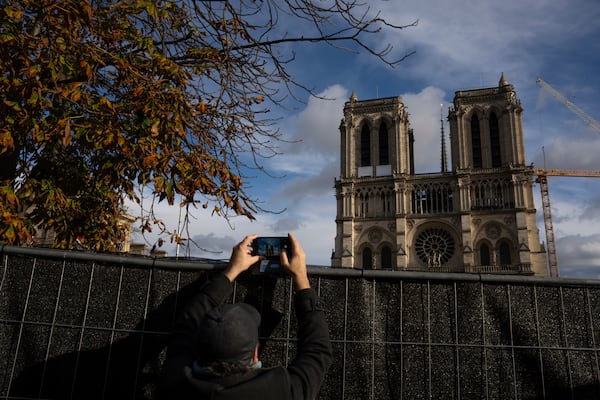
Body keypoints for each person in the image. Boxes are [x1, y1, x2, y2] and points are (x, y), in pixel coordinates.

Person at [159, 233, 333, 399]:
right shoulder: (282, 391)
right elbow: (317, 350)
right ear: (255, 354)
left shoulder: (177, 384)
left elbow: (185, 327)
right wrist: (301, 277)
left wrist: (231, 270)